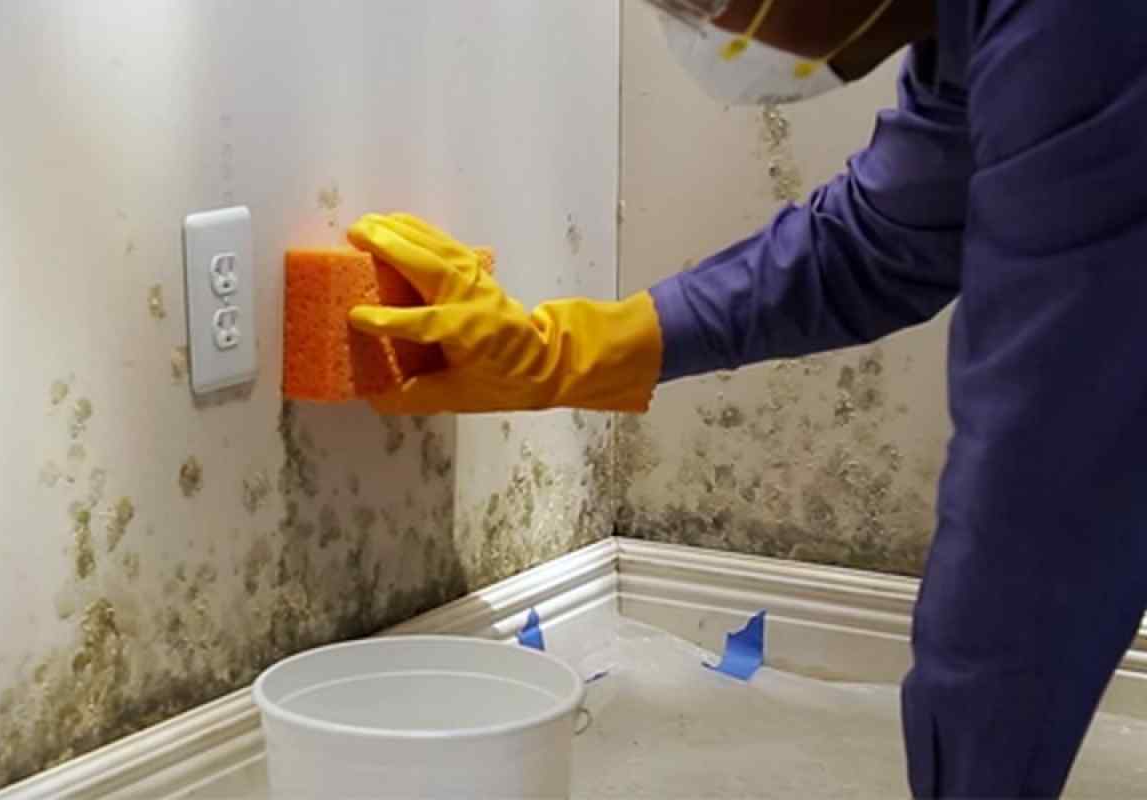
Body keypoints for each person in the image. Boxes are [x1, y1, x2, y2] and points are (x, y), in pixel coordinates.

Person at [344, 1, 1147, 796]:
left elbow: (1042, 470)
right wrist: (566, 352)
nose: (703, 29)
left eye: (697, 1)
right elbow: (880, 242)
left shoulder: (1079, 26)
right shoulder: (976, 30)